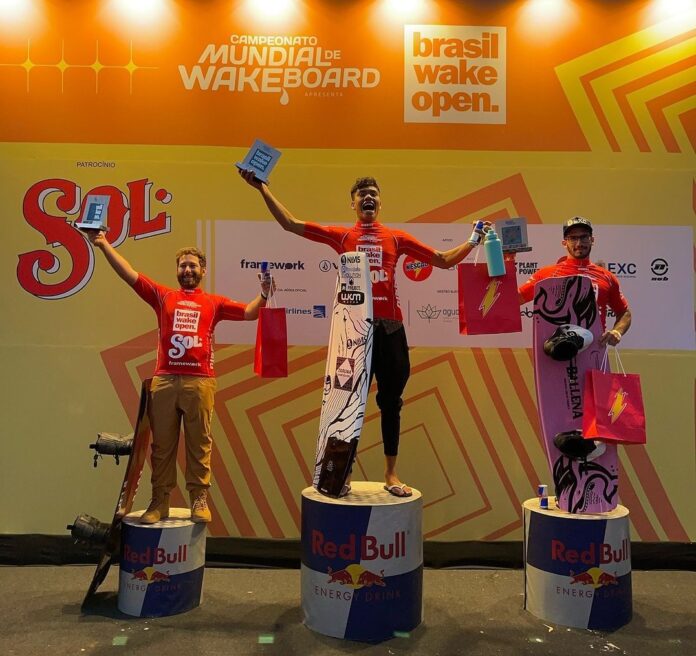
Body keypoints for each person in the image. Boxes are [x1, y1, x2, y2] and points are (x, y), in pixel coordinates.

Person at [240, 170, 488, 497]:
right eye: (362, 194)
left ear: (380, 202)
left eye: (373, 193)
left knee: (391, 402)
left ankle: (391, 473)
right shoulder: (342, 237)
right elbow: (290, 223)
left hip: (391, 329)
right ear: (353, 204)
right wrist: (262, 188)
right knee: (346, 403)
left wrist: (473, 240)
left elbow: (442, 261)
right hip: (354, 332)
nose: (368, 197)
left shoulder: (396, 237)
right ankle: (338, 474)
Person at [87, 230, 273, 523]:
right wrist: (103, 244)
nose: (187, 270)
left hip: (200, 381)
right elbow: (130, 275)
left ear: (203, 270)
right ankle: (159, 501)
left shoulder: (214, 302)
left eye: (193, 265)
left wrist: (263, 294)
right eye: (183, 266)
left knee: (200, 443)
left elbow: (250, 313)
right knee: (162, 446)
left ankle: (199, 498)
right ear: (177, 271)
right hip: (165, 380)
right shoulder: (163, 296)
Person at [518, 216, 632, 460]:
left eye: (583, 237)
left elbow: (624, 313)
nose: (579, 242)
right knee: (565, 409)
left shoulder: (606, 277)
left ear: (592, 239)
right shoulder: (548, 274)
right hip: (557, 358)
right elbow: (515, 299)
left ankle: (594, 448)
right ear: (564, 243)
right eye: (573, 238)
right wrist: (506, 262)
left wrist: (617, 331)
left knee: (595, 409)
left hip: (594, 354)